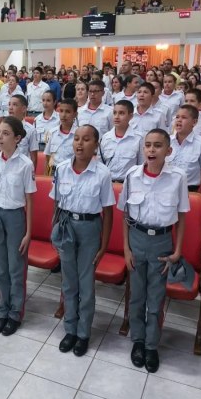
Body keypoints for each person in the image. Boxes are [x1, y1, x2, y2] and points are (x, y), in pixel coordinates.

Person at [119, 128, 190, 373]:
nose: (151, 149)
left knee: (156, 298)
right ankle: (137, 341)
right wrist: (126, 249)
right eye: (147, 145)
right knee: (137, 296)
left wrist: (178, 250)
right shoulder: (132, 175)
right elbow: (125, 215)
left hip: (162, 243)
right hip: (137, 240)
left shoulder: (178, 177)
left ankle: (151, 345)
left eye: (158, 145)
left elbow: (181, 218)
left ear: (168, 151)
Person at [51, 124, 114, 356]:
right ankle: (70, 328)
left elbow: (108, 212)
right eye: (76, 138)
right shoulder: (61, 169)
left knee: (86, 284)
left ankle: (83, 332)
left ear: (95, 144)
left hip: (89, 228)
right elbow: (55, 204)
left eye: (86, 139)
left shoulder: (102, 173)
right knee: (69, 282)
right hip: (66, 227)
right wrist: (54, 232)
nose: (79, 143)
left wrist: (104, 245)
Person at [0, 117, 36, 336]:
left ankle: (15, 313)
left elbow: (29, 200)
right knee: (0, 268)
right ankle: (2, 310)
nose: (0, 137)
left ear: (17, 138)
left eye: (6, 133)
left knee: (16, 268)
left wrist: (28, 232)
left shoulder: (25, 164)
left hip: (16, 217)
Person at [167, 105, 201, 193]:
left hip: (190, 190)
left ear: (194, 122)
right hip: (167, 188)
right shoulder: (168, 141)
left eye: (184, 117)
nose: (179, 120)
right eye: (177, 117)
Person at [100, 100, 143, 183]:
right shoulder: (106, 138)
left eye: (121, 113)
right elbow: (101, 164)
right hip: (108, 183)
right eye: (115, 113)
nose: (116, 116)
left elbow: (141, 165)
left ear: (130, 116)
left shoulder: (138, 138)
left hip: (128, 183)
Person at [45, 99, 78, 174]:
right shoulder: (52, 133)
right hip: (53, 171)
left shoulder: (78, 134)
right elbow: (48, 157)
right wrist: (46, 174)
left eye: (68, 112)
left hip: (70, 172)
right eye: (61, 111)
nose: (63, 115)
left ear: (75, 114)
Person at [8, 95, 39, 169]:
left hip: (22, 169)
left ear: (24, 109)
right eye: (9, 104)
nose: (10, 107)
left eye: (14, 104)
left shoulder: (30, 130)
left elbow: (34, 157)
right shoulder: (3, 127)